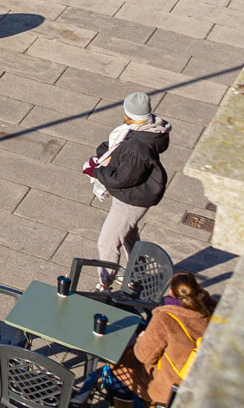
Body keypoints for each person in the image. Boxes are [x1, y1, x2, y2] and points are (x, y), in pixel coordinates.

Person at [91, 91, 170, 282]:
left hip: (132, 198)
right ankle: (139, 271)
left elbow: (121, 179)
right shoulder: (148, 130)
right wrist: (104, 154)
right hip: (135, 193)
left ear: (130, 116)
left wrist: (96, 171)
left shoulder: (137, 145)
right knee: (127, 234)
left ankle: (105, 286)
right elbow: (114, 148)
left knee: (107, 243)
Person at [114, 269, 215, 406]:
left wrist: (142, 338)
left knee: (116, 366)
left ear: (171, 293)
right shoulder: (212, 310)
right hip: (200, 385)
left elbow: (143, 355)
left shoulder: (165, 318)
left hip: (168, 387)